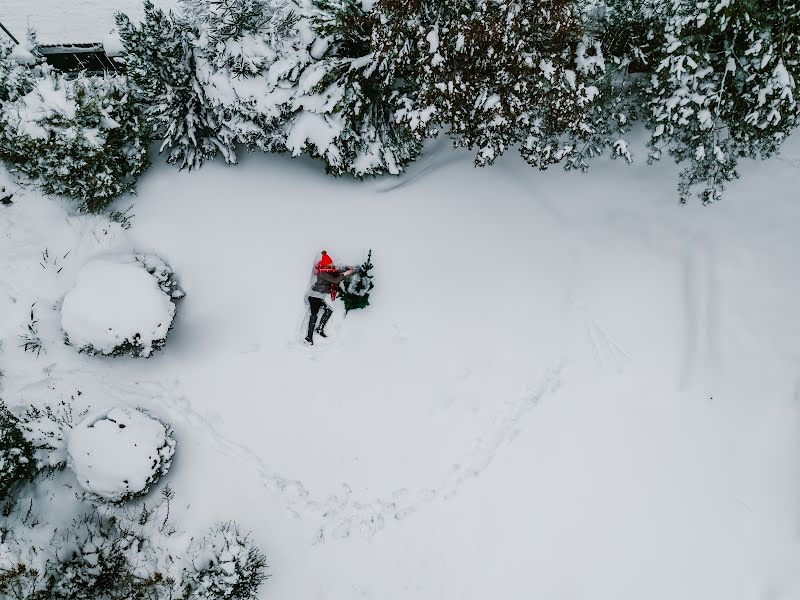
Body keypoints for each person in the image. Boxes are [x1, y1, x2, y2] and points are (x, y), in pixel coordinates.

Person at [305, 251, 354, 345]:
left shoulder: (326, 269)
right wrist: (345, 274)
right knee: (313, 316)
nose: (332, 264)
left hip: (319, 296)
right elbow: (334, 280)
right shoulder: (323, 273)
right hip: (314, 297)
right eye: (330, 263)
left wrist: (346, 268)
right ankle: (308, 337)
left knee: (328, 311)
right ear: (326, 264)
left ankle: (319, 329)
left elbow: (335, 271)